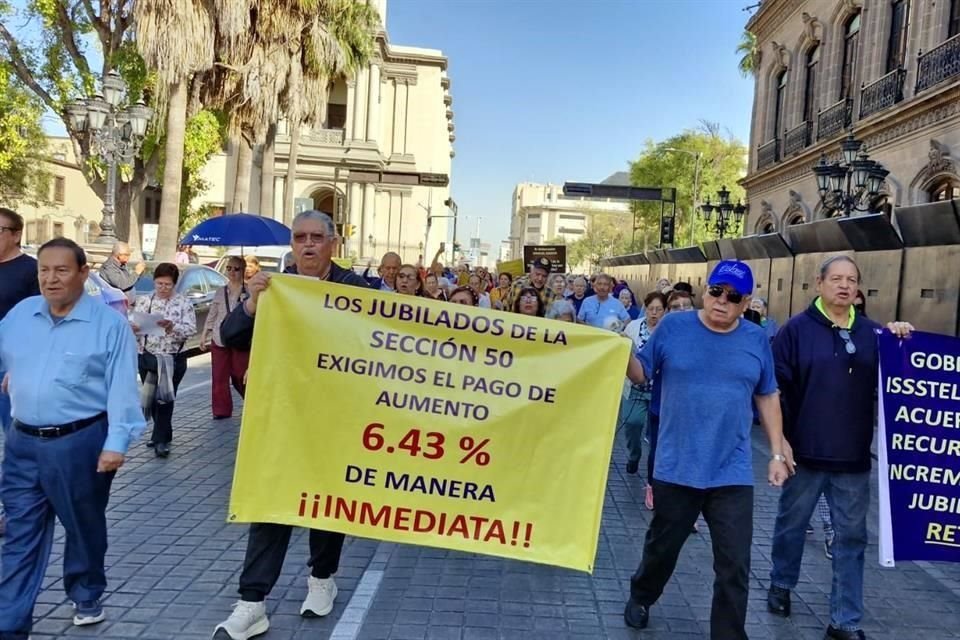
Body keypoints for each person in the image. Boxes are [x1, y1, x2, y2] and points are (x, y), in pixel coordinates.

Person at [214, 211, 370, 639]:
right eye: (299, 237)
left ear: (332, 244)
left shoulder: (356, 289)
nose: (307, 245)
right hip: (281, 418)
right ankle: (251, 602)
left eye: (316, 237)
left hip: (335, 419)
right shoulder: (273, 286)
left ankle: (322, 578)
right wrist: (251, 303)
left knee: (328, 503)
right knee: (270, 504)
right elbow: (229, 336)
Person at [622, 260, 792, 639]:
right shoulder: (674, 326)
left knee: (735, 563)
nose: (721, 301)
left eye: (732, 297)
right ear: (706, 289)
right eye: (716, 291)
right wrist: (621, 351)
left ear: (745, 301)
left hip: (731, 471)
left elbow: (767, 395)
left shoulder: (754, 339)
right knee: (663, 549)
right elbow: (641, 374)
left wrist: (778, 452)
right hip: (676, 465)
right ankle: (642, 593)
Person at [0, 238, 144, 636]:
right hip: (22, 443)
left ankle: (85, 591)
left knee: (83, 526)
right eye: (44, 270)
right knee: (19, 534)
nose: (51, 278)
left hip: (80, 443)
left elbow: (121, 389)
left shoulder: (108, 325)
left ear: (83, 273)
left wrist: (117, 443)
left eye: (61, 270)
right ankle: (9, 624)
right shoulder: (20, 315)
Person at [766, 256, 913, 640]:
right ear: (819, 283)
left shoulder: (873, 334)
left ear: (858, 288)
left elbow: (902, 376)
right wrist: (780, 443)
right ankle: (781, 583)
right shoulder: (795, 331)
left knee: (851, 539)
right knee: (792, 526)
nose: (844, 286)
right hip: (804, 454)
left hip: (852, 459)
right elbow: (773, 390)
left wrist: (901, 337)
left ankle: (844, 621)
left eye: (851, 280)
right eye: (836, 279)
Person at [0, 208, 40, 536]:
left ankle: (14, 511)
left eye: (0, 230)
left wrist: (23, 364)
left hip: (10, 362)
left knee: (14, 440)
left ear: (15, 234)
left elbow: (42, 320)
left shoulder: (31, 271)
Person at [131, 263, 197, 458]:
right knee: (149, 398)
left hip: (171, 358)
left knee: (165, 399)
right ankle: (160, 433)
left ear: (174, 284)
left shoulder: (183, 303)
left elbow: (191, 330)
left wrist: (171, 327)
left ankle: (161, 441)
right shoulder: (145, 300)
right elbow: (134, 323)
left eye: (167, 284)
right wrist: (133, 328)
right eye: (159, 284)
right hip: (147, 356)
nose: (163, 288)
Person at [620, 292, 666, 475]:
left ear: (665, 311)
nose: (654, 313)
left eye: (659, 309)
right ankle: (634, 455)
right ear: (645, 309)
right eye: (650, 309)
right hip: (636, 388)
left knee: (658, 431)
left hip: (660, 391)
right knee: (632, 423)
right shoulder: (633, 327)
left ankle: (654, 466)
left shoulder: (669, 330)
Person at [200, 255, 249, 419]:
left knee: (239, 374)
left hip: (240, 339)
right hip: (220, 337)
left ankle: (249, 401)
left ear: (243, 270)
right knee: (219, 375)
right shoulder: (221, 291)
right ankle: (221, 410)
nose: (232, 272)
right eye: (229, 268)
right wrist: (204, 334)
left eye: (236, 269)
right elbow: (213, 313)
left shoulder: (249, 292)